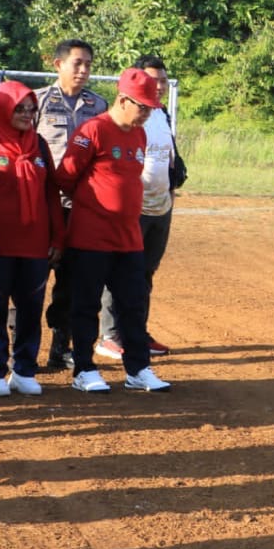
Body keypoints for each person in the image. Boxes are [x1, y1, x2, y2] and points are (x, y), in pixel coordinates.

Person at [55, 68, 170, 394]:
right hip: (91, 237)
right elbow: (65, 178)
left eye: (151, 108)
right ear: (123, 99)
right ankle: (85, 370)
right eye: (143, 107)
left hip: (128, 237)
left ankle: (138, 369)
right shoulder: (92, 130)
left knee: (133, 304)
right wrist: (93, 204)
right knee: (86, 304)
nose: (147, 113)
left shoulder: (139, 134)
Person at [0, 81, 64, 396]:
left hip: (34, 245)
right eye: (20, 108)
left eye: (31, 109)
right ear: (2, 108)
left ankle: (24, 370)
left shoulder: (41, 145)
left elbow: (51, 196)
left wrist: (58, 237)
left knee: (31, 309)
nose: (27, 114)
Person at [96, 55, 186, 361]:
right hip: (133, 207)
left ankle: (138, 331)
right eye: (152, 80)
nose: (159, 86)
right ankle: (110, 335)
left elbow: (168, 156)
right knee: (119, 271)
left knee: (145, 273)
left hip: (161, 206)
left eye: (162, 79)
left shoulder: (161, 114)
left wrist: (172, 190)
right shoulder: (129, 116)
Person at [35, 39, 106, 371]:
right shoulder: (35, 103)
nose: (83, 70)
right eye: (77, 63)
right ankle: (23, 351)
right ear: (57, 64)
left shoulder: (99, 105)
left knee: (71, 282)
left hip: (79, 208)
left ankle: (60, 347)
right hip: (41, 206)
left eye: (89, 64)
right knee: (31, 280)